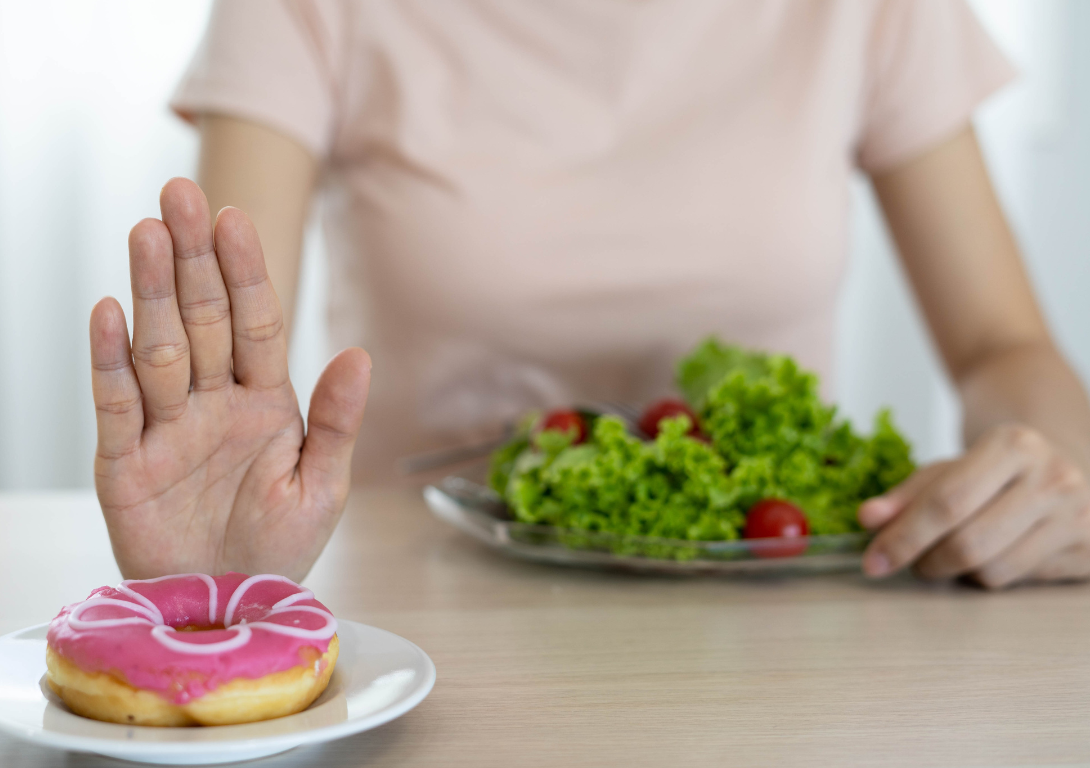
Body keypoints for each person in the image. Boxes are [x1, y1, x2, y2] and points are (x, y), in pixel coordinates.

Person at [88, 0, 1090, 589]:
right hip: (432, 613)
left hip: (779, 621)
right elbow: (222, 374)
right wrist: (217, 577)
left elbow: (1003, 346)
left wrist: (1055, 478)